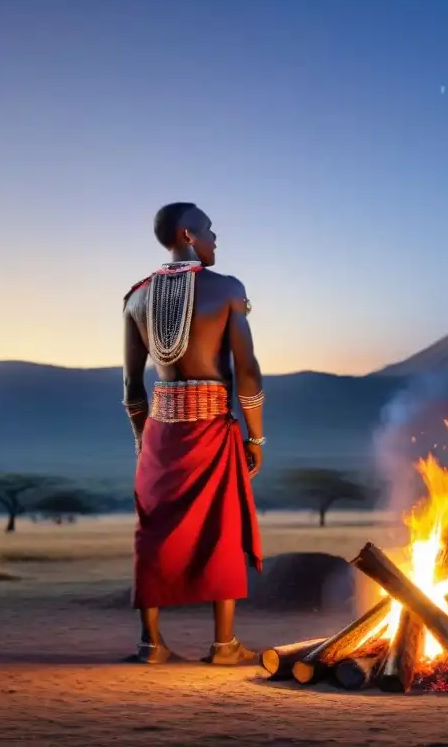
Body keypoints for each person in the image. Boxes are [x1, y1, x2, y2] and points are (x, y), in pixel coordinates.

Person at [122, 202, 265, 665]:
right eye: (209, 230)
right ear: (187, 234)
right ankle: (224, 646)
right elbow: (247, 370)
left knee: (154, 532)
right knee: (222, 528)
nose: (215, 238)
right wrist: (255, 436)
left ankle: (151, 645)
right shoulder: (227, 289)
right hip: (211, 429)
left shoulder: (136, 297)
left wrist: (145, 443)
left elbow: (131, 388)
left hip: (161, 432)